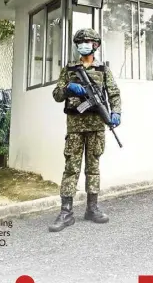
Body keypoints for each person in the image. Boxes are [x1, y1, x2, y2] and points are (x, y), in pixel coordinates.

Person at [49, 28, 122, 233]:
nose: (83, 45)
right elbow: (56, 95)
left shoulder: (103, 70)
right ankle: (66, 212)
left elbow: (114, 94)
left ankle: (92, 207)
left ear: (95, 45)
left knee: (93, 167)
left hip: (97, 126)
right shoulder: (70, 69)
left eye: (87, 42)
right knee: (71, 167)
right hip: (75, 126)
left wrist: (116, 113)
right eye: (80, 42)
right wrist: (69, 88)